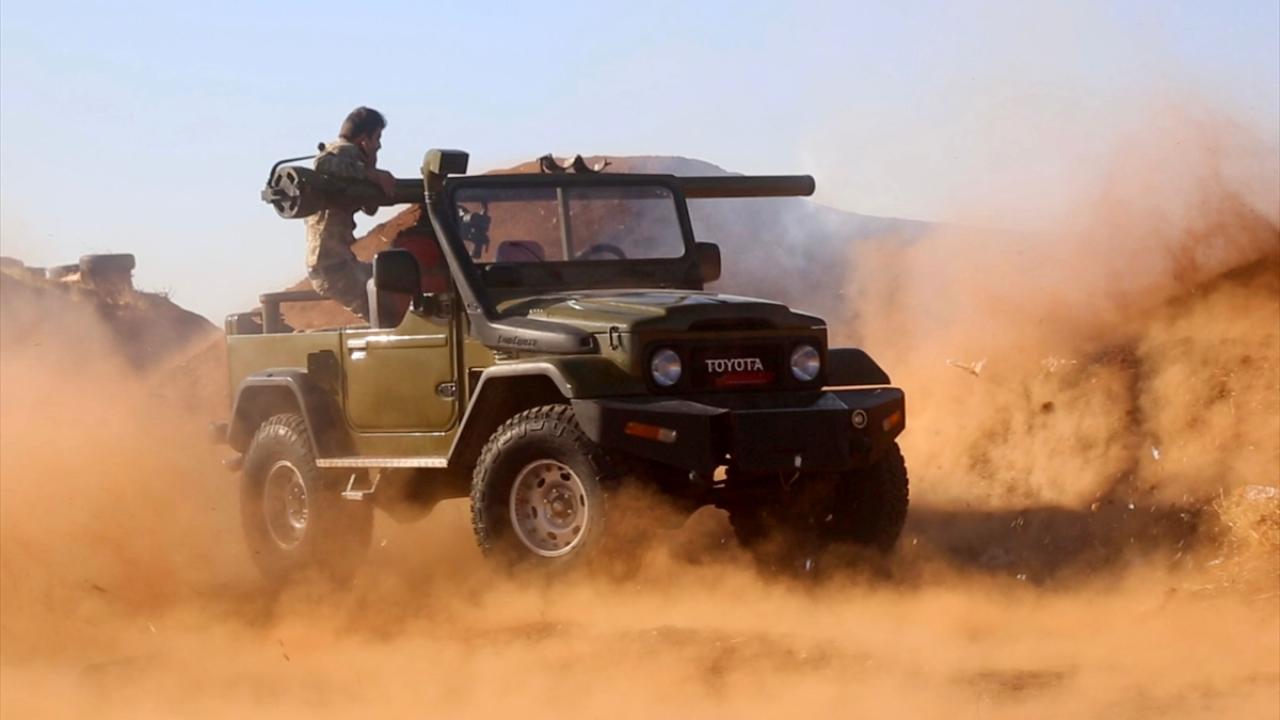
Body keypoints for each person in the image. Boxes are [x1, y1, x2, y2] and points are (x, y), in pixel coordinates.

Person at [305, 106, 396, 321]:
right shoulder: (341, 152)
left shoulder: (353, 161)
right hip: (332, 268)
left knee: (396, 280)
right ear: (364, 139)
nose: (379, 145)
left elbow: (370, 208)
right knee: (388, 315)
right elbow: (323, 164)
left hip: (340, 264)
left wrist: (371, 169)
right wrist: (371, 174)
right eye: (377, 138)